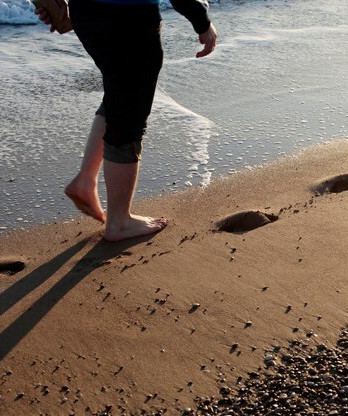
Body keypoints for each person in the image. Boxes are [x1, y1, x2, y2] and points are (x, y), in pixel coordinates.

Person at [35, 0, 217, 241]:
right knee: (129, 114)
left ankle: (85, 180)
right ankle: (120, 222)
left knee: (120, 93)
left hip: (86, 14)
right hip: (129, 18)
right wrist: (201, 21)